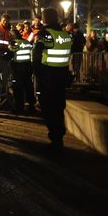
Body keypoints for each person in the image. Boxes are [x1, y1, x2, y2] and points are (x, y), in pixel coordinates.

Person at [32, 8, 72, 154]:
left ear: (45, 18)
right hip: (61, 77)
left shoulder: (45, 34)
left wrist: (37, 73)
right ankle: (59, 138)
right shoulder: (65, 34)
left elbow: (37, 55)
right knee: (58, 107)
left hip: (47, 76)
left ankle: (55, 141)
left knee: (48, 108)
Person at [8, 29, 36, 114]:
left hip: (18, 68)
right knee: (28, 87)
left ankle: (19, 107)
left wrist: (4, 55)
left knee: (18, 88)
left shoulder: (14, 43)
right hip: (28, 67)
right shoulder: (26, 42)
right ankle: (31, 106)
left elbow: (10, 54)